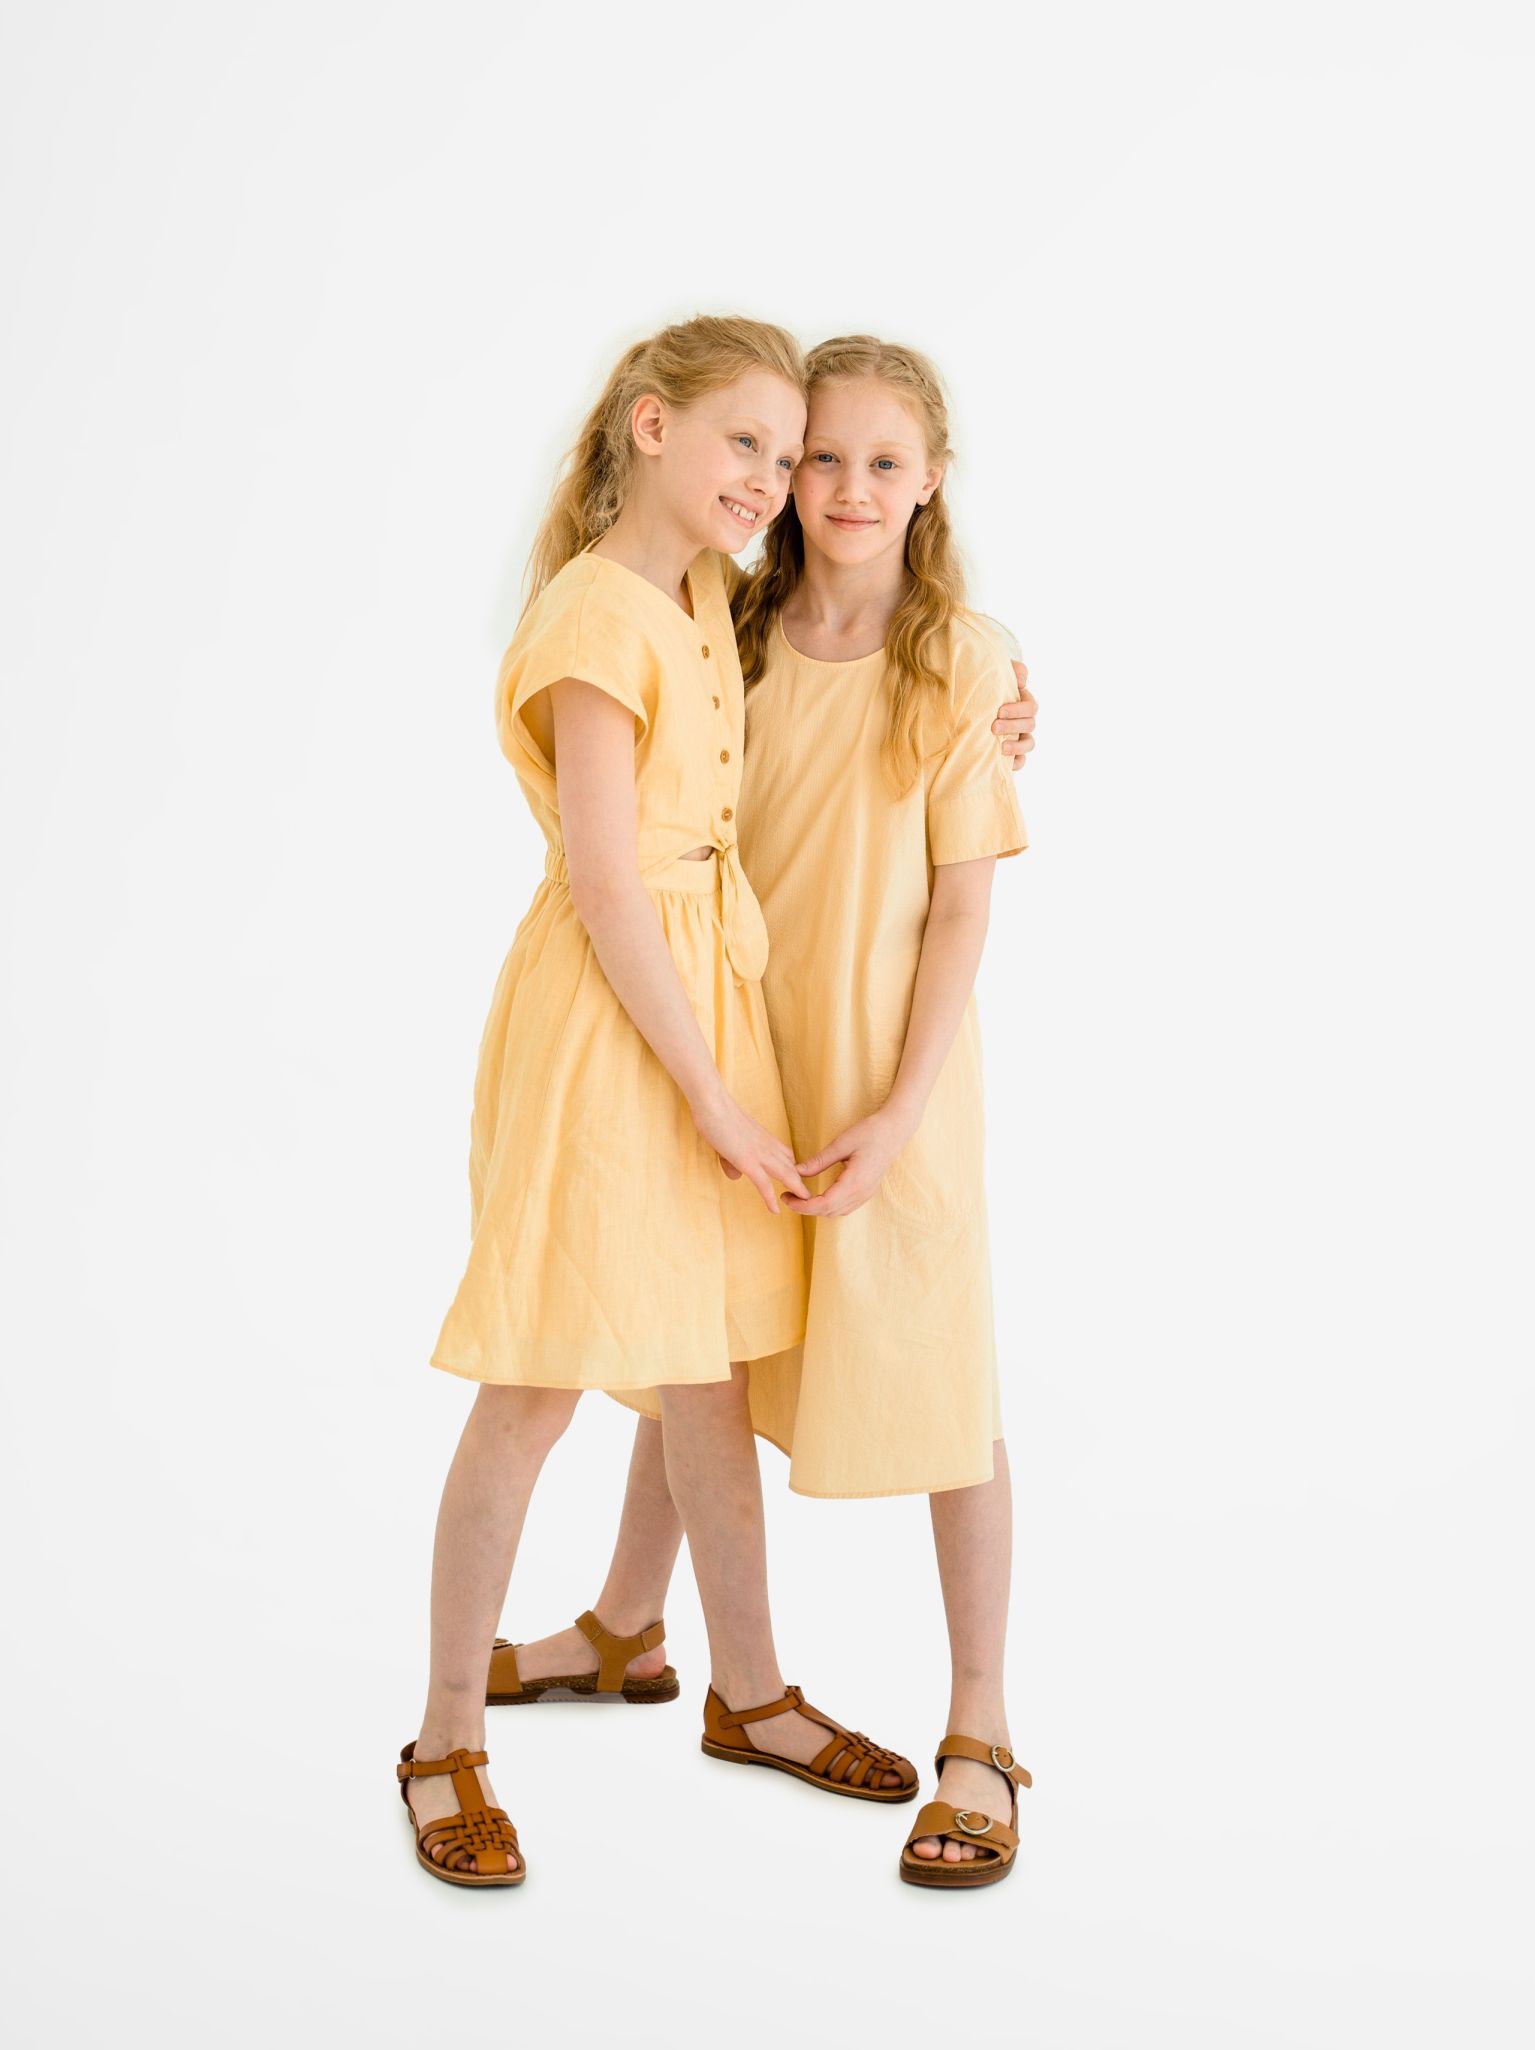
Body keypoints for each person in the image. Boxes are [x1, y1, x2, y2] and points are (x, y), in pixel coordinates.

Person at [500, 336, 1039, 1888]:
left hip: (889, 1085)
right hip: (738, 1056)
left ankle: (983, 1723)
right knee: (701, 1352)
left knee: (946, 1386)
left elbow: (960, 909)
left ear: (932, 480)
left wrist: (903, 1107)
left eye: (885, 460)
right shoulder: (717, 622)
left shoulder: (962, 661)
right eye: (820, 458)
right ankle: (627, 1623)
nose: (848, 487)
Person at [399, 315, 917, 1887]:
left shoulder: (703, 589)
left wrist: (995, 701)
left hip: (708, 994)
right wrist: (711, 1098)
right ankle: (442, 1737)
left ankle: (733, 1683)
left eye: (786, 450)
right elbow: (609, 883)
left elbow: (848, 647)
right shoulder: (591, 617)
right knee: (538, 1379)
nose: (770, 475)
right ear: (648, 426)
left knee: (710, 1367)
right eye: (744, 440)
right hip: (613, 1020)